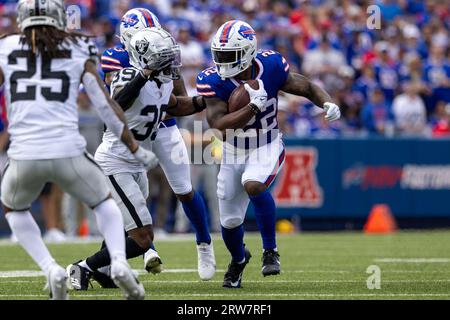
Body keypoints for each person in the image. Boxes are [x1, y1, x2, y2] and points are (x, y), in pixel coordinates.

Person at [0, 0, 159, 300]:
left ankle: (50, 268)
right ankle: (119, 262)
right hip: (68, 151)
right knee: (104, 204)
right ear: (60, 19)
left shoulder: (5, 47)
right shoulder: (79, 46)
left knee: (13, 208)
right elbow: (104, 104)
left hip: (23, 154)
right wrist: (134, 147)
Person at [197, 20, 341, 288]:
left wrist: (326, 101)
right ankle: (238, 260)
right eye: (219, 54)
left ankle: (270, 251)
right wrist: (252, 108)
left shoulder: (271, 66)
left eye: (229, 55)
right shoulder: (212, 79)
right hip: (232, 150)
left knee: (253, 184)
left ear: (248, 52)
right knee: (229, 222)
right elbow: (218, 126)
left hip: (266, 143)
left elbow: (306, 86)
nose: (222, 61)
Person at [67, 27, 212, 291]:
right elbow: (116, 104)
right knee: (143, 238)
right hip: (115, 161)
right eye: (164, 57)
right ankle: (83, 266)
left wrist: (203, 102)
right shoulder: (128, 75)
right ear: (147, 59)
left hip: (135, 164)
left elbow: (175, 105)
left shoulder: (163, 79)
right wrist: (143, 75)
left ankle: (103, 270)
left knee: (127, 227)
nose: (171, 63)